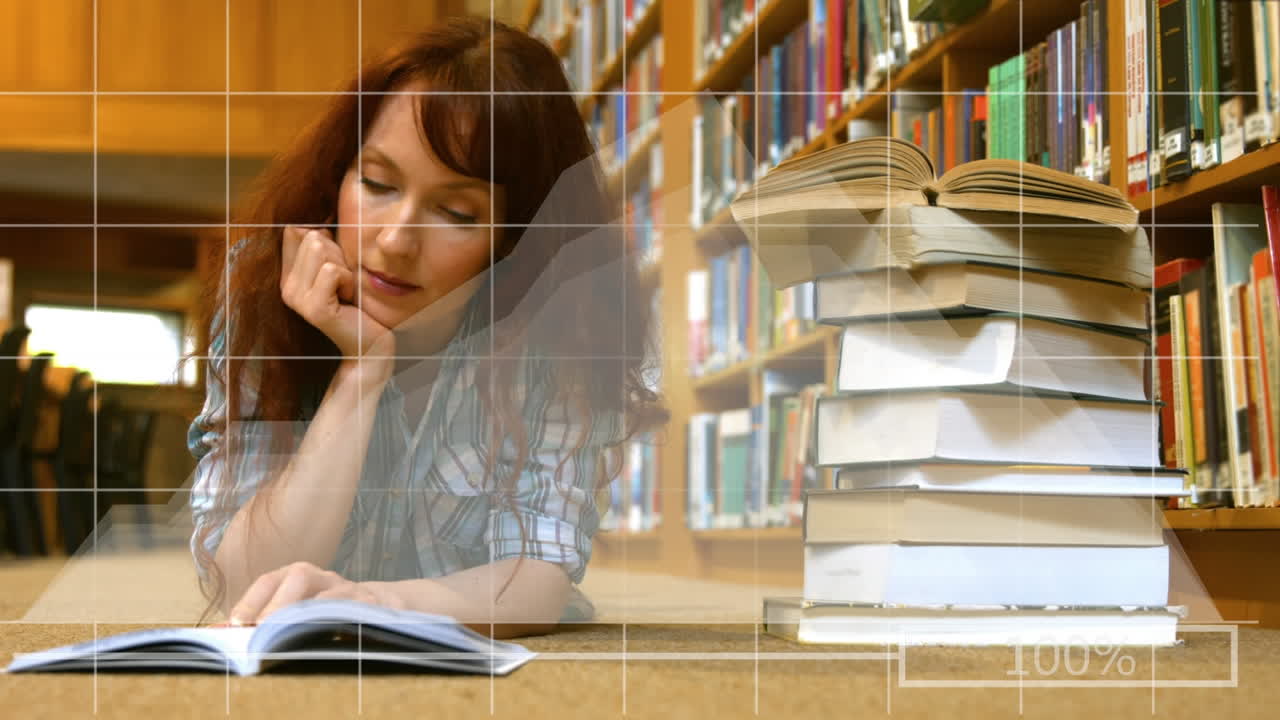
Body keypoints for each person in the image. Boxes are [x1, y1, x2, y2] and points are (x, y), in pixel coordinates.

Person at [187, 16, 665, 639]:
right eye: (377, 183)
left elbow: (537, 578)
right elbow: (248, 583)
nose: (393, 240)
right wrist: (359, 373)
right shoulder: (261, 291)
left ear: (515, 240)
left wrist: (369, 602)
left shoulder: (560, 327)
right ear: (336, 174)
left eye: (456, 212)